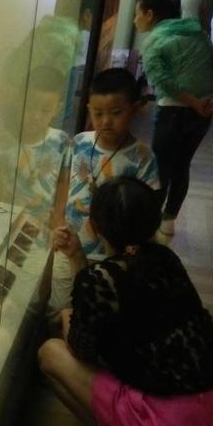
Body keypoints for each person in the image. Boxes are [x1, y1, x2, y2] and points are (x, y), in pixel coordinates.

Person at [40, 176, 213, 426]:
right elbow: (110, 293)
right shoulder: (165, 258)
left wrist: (66, 314)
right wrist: (77, 257)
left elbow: (80, 347)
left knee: (50, 352)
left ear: (94, 227)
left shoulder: (100, 278)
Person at [48, 68, 158, 316]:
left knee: (96, 313)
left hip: (112, 258)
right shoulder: (79, 142)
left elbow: (146, 211)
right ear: (88, 110)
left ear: (134, 109)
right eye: (98, 113)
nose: (106, 121)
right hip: (70, 245)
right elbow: (64, 184)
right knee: (59, 308)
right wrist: (58, 223)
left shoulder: (143, 156)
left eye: (116, 113)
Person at [135, 0, 213, 236]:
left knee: (161, 169)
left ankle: (149, 224)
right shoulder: (197, 32)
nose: (135, 20)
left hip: (173, 113)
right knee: (182, 165)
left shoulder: (154, 40)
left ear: (150, 14)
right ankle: (169, 219)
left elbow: (163, 81)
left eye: (137, 13)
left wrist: (193, 102)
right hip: (202, 114)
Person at [0, 66, 70, 230]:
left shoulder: (62, 142)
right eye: (30, 107)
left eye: (45, 110)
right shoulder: (2, 144)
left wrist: (58, 220)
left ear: (57, 109)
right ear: (20, 101)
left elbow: (64, 185)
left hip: (43, 230)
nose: (36, 116)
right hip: (5, 226)